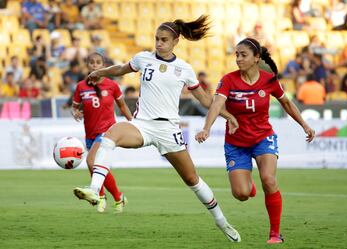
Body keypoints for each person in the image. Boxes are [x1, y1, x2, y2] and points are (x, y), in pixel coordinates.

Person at [73, 15, 241, 242]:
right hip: (142, 125)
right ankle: (94, 189)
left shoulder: (184, 69)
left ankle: (222, 221)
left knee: (192, 180)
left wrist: (228, 115)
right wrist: (101, 72)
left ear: (175, 42)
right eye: (156, 39)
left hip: (168, 130)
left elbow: (205, 99)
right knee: (111, 134)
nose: (159, 43)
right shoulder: (143, 58)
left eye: (163, 40)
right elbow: (122, 69)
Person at [195, 38, 315, 244]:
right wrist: (206, 128)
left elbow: (286, 102)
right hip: (236, 143)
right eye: (237, 55)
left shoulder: (269, 80)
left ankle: (275, 234)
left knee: (268, 180)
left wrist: (304, 124)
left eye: (243, 55)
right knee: (241, 194)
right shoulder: (229, 80)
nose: (238, 59)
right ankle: (248, 186)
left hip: (263, 138)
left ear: (256, 58)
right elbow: (216, 105)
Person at [72, 52, 133, 213]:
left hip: (107, 132)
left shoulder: (111, 85)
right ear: (87, 65)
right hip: (90, 133)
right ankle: (118, 198)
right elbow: (75, 108)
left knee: (91, 162)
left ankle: (98, 196)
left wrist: (134, 123)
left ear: (103, 65)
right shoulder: (81, 87)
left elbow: (122, 106)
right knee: (100, 167)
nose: (95, 65)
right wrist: (76, 113)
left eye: (98, 62)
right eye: (91, 62)